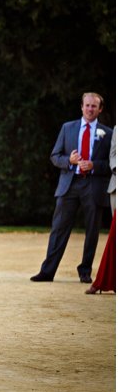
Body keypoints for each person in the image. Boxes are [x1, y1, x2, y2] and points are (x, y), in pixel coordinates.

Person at [31, 93, 113, 283]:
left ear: (100, 109)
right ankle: (47, 271)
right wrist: (70, 160)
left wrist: (94, 165)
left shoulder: (108, 133)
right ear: (81, 107)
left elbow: (111, 163)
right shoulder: (67, 128)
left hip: (93, 186)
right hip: (69, 185)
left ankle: (85, 271)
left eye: (94, 106)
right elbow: (54, 156)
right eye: (87, 105)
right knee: (58, 228)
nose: (90, 109)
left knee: (92, 230)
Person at [86, 126, 116, 294]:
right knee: (115, 236)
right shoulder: (117, 129)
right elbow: (113, 154)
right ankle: (106, 280)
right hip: (116, 186)